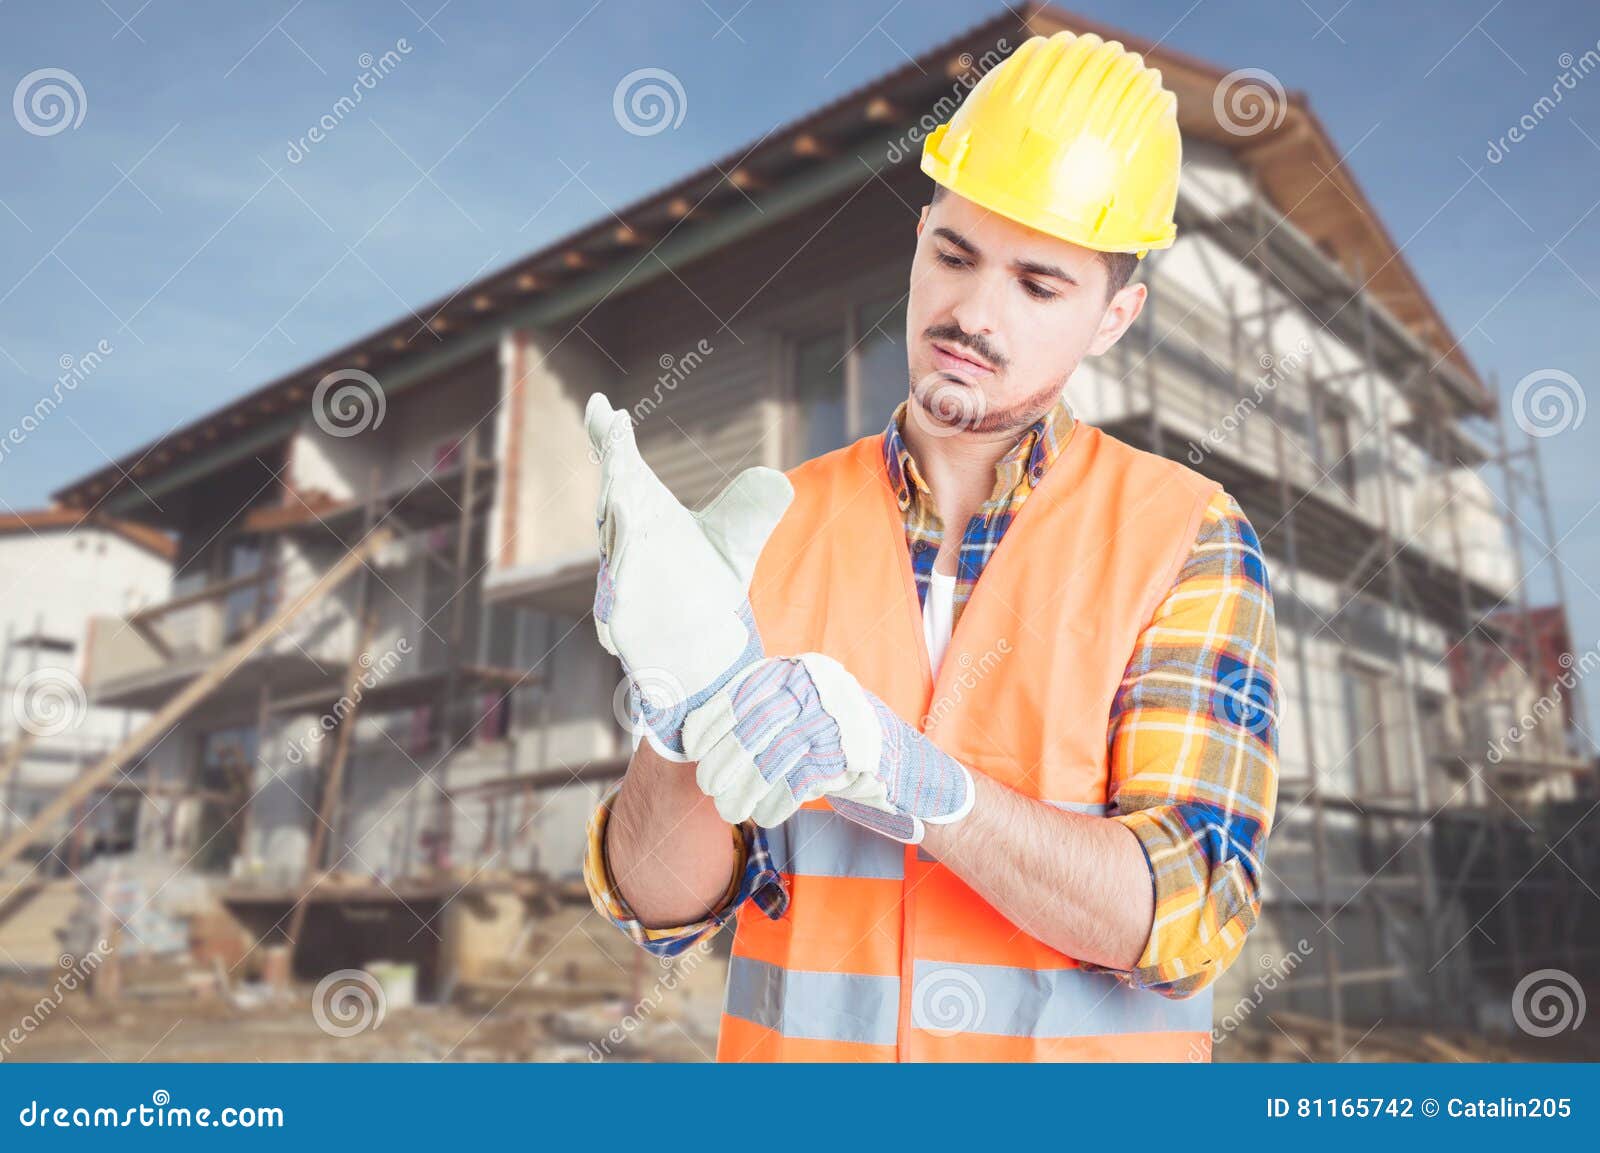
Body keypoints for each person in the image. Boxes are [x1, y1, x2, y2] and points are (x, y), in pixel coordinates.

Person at [582, 29, 1279, 1062]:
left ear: (1112, 316)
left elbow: (1184, 913)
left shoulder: (1184, 536)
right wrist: (672, 721)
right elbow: (659, 908)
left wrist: (922, 786)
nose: (971, 313)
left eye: (1038, 285)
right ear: (917, 243)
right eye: (953, 255)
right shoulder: (775, 524)